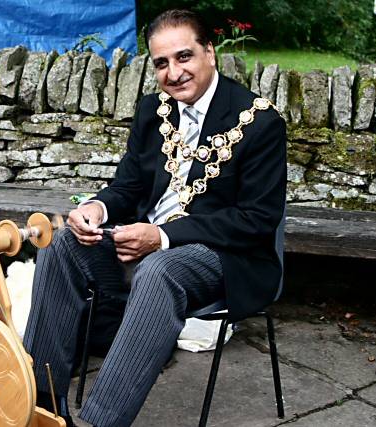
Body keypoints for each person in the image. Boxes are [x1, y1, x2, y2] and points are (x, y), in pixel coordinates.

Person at [23, 9, 286, 427]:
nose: (174, 72)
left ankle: (102, 421)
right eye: (162, 63)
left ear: (210, 53)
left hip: (226, 257)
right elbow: (127, 187)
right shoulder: (152, 111)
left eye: (184, 57)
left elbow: (255, 219)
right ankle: (41, 403)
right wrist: (97, 207)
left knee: (160, 269)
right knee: (63, 244)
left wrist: (160, 237)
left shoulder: (260, 122)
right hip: (141, 243)